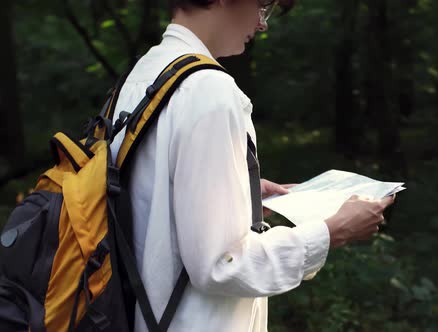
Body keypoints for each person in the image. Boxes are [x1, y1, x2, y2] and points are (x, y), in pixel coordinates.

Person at [109, 0, 397, 330]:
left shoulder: (140, 76)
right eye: (263, 5)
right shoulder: (208, 92)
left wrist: (237, 196)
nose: (263, 24)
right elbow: (220, 264)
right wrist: (331, 233)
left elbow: (145, 201)